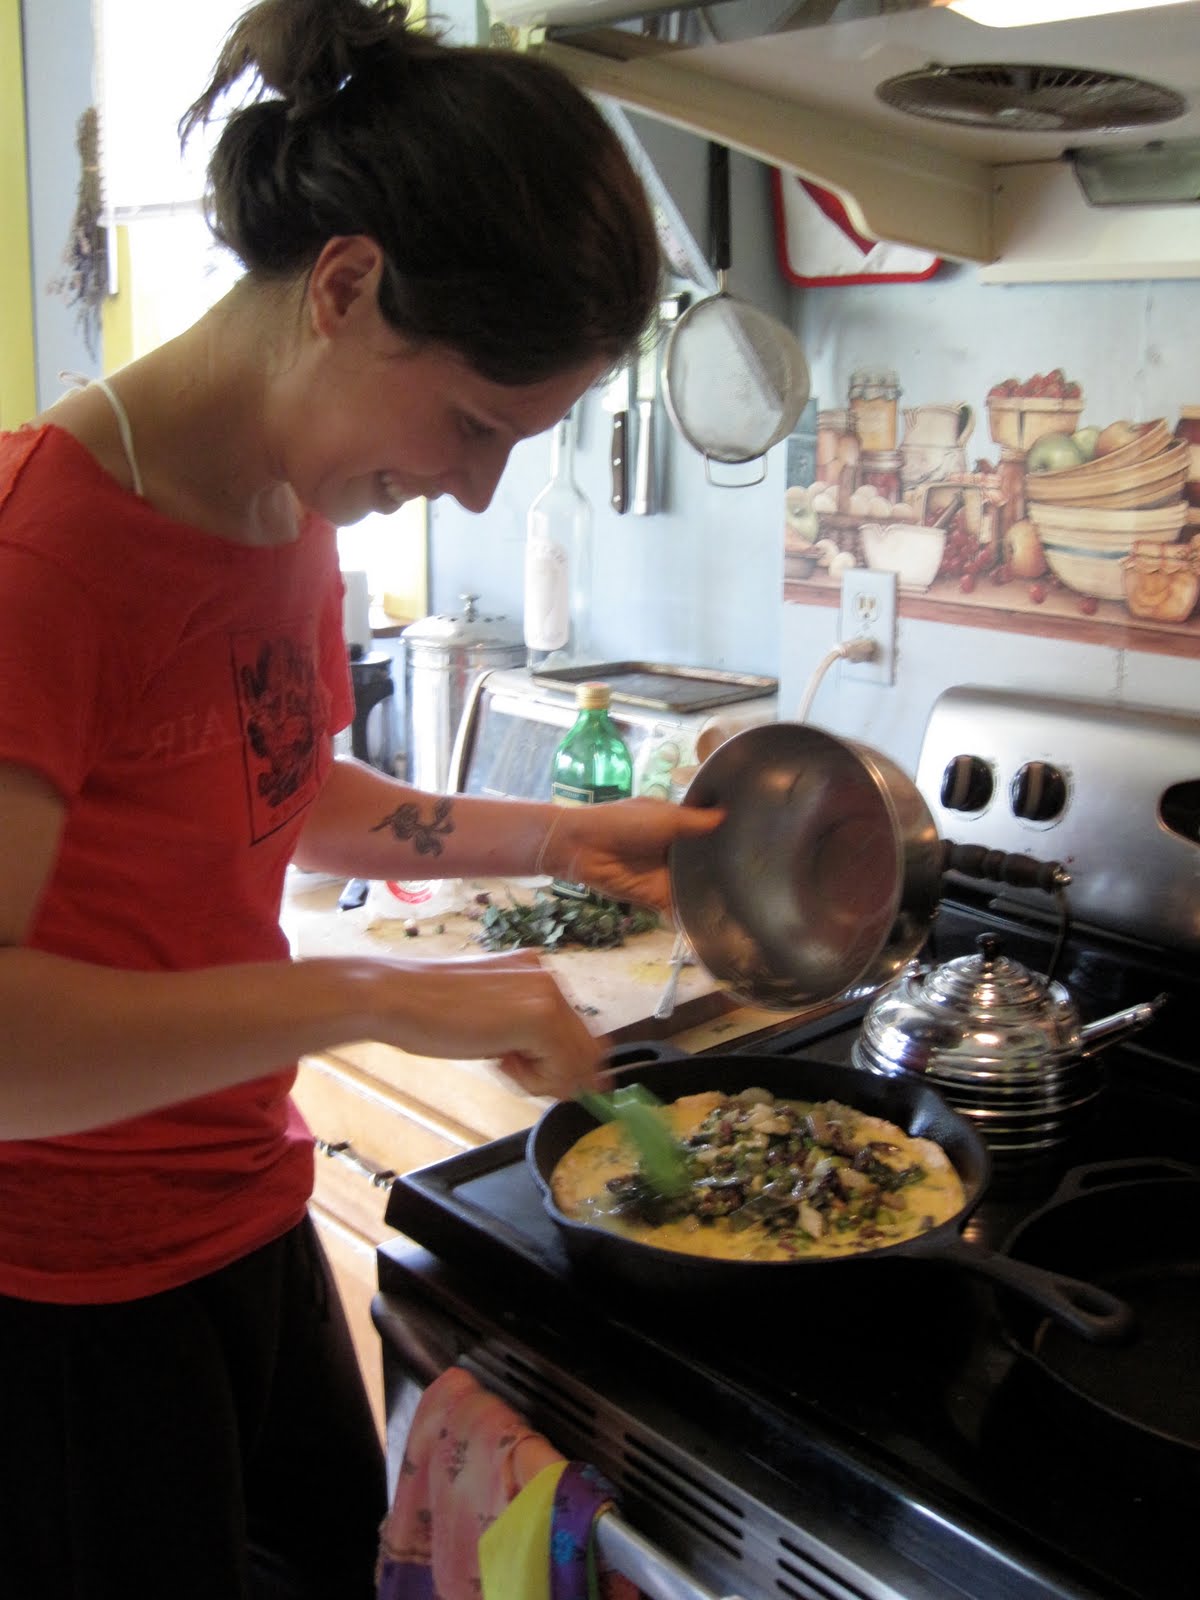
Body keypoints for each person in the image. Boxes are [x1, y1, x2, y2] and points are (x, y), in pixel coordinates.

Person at [0, 2, 723, 1594]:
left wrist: (555, 837)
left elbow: (280, 783)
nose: (473, 485)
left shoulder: (285, 508)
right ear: (343, 286)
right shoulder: (43, 552)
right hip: (63, 1291)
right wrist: (382, 996)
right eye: (472, 423)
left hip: (237, 1199)